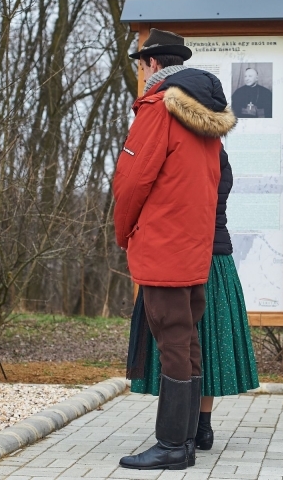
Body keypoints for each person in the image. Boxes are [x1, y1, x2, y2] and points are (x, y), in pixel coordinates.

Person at [113, 28, 236, 470]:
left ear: (151, 65)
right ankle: (183, 440)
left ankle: (169, 446)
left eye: (140, 64)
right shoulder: (207, 119)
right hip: (195, 248)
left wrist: (124, 232)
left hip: (163, 246)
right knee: (187, 341)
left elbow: (131, 181)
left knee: (171, 342)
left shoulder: (157, 108)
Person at [130, 146, 259, 451]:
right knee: (207, 345)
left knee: (179, 344)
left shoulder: (183, 153)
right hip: (215, 258)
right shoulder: (218, 152)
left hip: (184, 257)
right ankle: (202, 427)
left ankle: (182, 430)